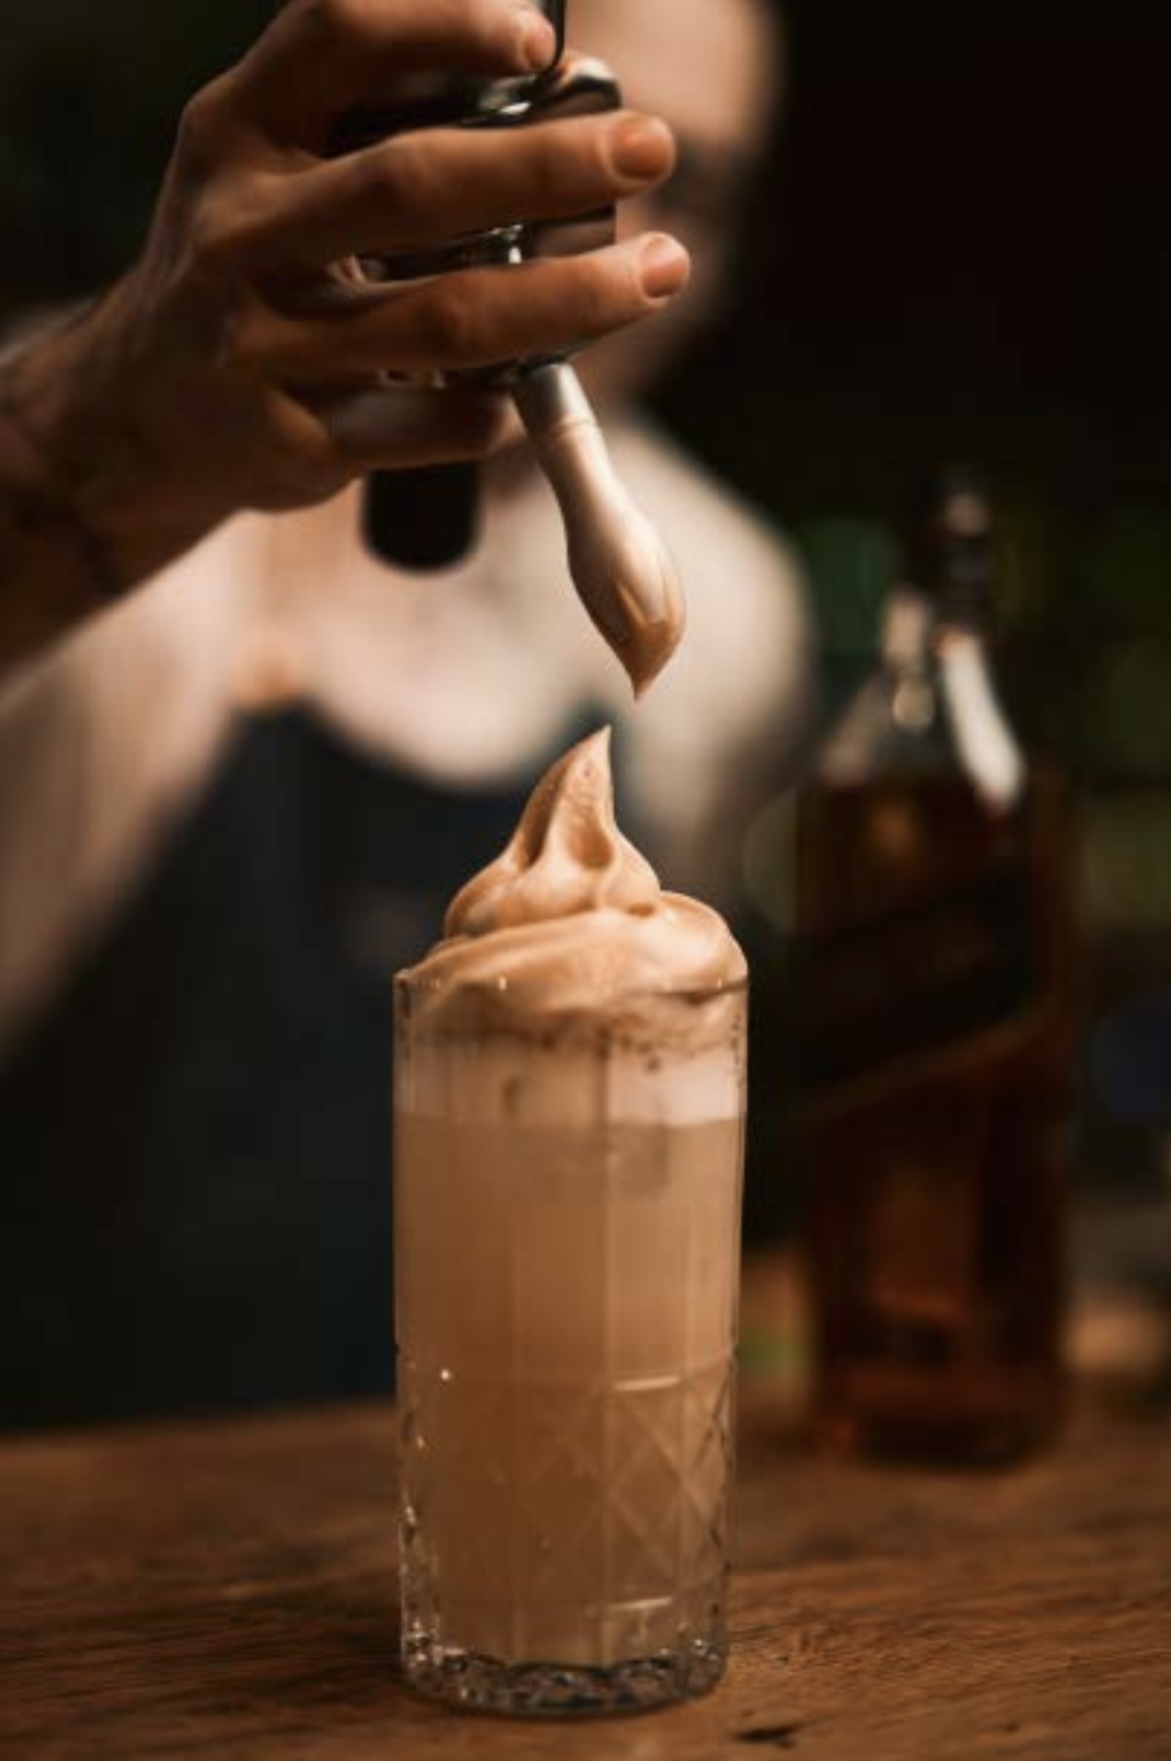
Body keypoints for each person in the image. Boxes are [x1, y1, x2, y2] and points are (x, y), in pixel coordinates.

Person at [0, 0, 811, 1426]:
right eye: (581, 143)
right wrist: (79, 453)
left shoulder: (729, 610)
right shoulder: (96, 453)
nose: (625, 242)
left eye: (699, 193)